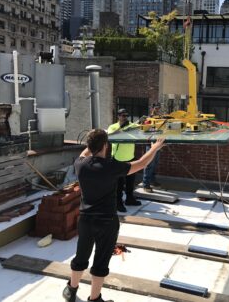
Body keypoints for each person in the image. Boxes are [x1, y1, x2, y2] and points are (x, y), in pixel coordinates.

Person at [62, 129, 164, 302]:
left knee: (81, 255)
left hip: (86, 220)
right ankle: (94, 299)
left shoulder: (80, 164)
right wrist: (155, 147)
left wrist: (94, 140)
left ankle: (71, 290)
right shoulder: (111, 167)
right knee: (101, 261)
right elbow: (140, 163)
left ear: (89, 145)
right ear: (105, 145)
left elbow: (84, 152)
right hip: (107, 223)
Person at [107, 109, 140, 212]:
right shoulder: (113, 127)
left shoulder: (132, 126)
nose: (125, 117)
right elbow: (110, 136)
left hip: (130, 158)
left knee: (130, 182)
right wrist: (121, 128)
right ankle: (118, 203)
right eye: (123, 115)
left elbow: (139, 133)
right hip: (118, 159)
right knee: (119, 184)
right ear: (118, 116)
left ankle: (130, 199)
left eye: (126, 115)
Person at [142, 103, 163, 192]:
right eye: (156, 108)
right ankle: (146, 184)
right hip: (150, 144)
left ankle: (152, 181)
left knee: (155, 164)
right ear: (152, 108)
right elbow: (144, 129)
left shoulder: (161, 118)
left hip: (157, 143)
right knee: (149, 164)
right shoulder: (148, 118)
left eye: (158, 108)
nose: (157, 110)